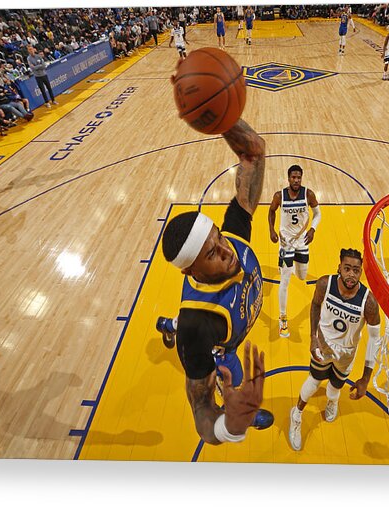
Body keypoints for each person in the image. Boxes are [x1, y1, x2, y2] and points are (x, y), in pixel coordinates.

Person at [155, 117, 273, 445]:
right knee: (230, 377)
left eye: (218, 237)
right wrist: (228, 427)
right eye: (212, 254)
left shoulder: (232, 238)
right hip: (215, 336)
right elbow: (200, 409)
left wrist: (222, 118)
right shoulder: (199, 327)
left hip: (217, 322)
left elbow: (254, 156)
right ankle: (172, 325)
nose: (226, 251)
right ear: (191, 272)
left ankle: (168, 324)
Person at [288, 248, 381, 451]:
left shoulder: (369, 302)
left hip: (346, 354)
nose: (351, 274)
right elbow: (314, 306)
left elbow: (375, 340)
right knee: (313, 381)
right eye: (347, 268)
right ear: (339, 267)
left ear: (360, 273)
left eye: (356, 270)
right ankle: (296, 414)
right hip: (323, 346)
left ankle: (332, 401)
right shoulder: (325, 284)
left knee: (335, 388)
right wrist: (313, 338)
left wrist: (365, 378)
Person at [268, 165, 321, 338]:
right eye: (293, 177)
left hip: (302, 241)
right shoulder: (279, 196)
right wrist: (272, 230)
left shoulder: (308, 194)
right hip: (286, 243)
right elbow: (271, 211)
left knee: (302, 276)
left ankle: (291, 268)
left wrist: (313, 228)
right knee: (285, 279)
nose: (296, 180)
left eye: (299, 177)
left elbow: (318, 214)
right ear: (288, 178)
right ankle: (283, 318)